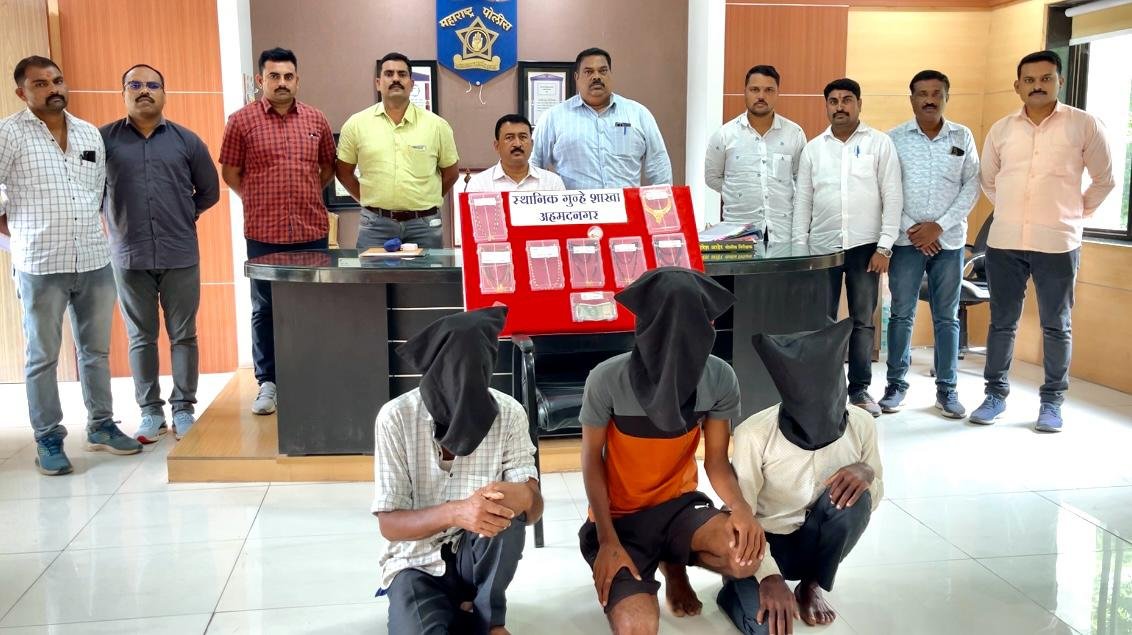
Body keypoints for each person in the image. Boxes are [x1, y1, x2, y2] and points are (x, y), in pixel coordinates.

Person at [578, 268, 762, 634]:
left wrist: (740, 507)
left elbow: (716, 460)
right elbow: (591, 460)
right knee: (638, 627)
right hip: (620, 519)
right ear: (644, 326)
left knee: (744, 558)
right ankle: (657, 562)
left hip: (679, 508)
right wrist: (608, 539)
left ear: (708, 326)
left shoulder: (720, 378)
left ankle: (673, 565)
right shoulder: (606, 378)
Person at [0, 56, 141, 475]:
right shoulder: (9, 133)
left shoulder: (87, 133)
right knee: (42, 356)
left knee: (95, 351)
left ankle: (101, 426)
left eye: (57, 81)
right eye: (40, 83)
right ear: (22, 92)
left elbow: (96, 192)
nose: (53, 89)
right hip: (40, 264)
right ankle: (48, 437)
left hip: (94, 260)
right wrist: (20, 232)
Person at [373, 306, 542, 635]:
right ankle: (456, 613)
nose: (461, 401)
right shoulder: (395, 418)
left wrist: (523, 495)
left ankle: (488, 619)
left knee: (508, 511)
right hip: (415, 564)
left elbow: (533, 511)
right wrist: (456, 512)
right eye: (452, 390)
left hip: (475, 563)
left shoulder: (509, 413)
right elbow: (389, 525)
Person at [973, 50, 1114, 432]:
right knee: (1002, 322)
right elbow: (990, 181)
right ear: (1017, 86)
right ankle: (994, 395)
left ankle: (1052, 403)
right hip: (1006, 241)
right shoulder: (1002, 129)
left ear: (1059, 82)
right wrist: (1013, 209)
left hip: (1058, 243)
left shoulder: (1084, 125)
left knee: (1056, 325)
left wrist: (1073, 212)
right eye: (1030, 80)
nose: (1038, 86)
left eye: (1046, 78)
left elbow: (1105, 180)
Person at [722, 319, 883, 635]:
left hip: (813, 541)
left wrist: (866, 473)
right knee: (767, 627)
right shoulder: (754, 434)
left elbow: (872, 498)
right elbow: (740, 516)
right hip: (763, 541)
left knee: (856, 497)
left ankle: (811, 584)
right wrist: (768, 576)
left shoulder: (861, 423)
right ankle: (736, 587)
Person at [101, 63, 220, 443]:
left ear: (164, 93)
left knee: (183, 335)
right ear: (123, 93)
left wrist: (183, 214)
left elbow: (209, 191)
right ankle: (150, 412)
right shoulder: (103, 140)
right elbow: (90, 191)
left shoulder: (187, 141)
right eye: (135, 85)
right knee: (141, 337)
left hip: (179, 252)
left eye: (152, 85)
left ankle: (183, 408)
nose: (144, 91)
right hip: (129, 255)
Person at [219, 47, 335, 416]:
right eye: (274, 76)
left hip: (310, 229)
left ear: (297, 79)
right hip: (263, 232)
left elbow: (327, 168)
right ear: (260, 80)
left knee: (312, 306)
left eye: (288, 76)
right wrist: (257, 197)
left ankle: (308, 374)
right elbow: (230, 172)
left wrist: (303, 193)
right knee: (265, 308)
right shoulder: (241, 122)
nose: (281, 83)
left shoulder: (316, 120)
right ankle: (268, 382)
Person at [792, 78, 903, 417]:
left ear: (859, 104)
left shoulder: (879, 143)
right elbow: (803, 202)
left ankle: (859, 389)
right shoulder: (813, 149)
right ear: (826, 106)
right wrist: (800, 250)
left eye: (847, 99)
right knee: (820, 321)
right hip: (821, 248)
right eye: (833, 101)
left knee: (862, 321)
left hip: (865, 247)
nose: (840, 106)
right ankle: (825, 387)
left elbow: (893, 195)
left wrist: (885, 246)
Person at [880, 70, 979, 419]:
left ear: (946, 97)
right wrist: (913, 229)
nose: (929, 100)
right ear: (912, 99)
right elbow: (887, 189)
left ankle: (947, 390)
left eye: (937, 93)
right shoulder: (894, 139)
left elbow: (972, 186)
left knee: (946, 317)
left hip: (948, 242)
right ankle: (895, 386)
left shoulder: (962, 136)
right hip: (906, 241)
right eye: (922, 94)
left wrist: (939, 227)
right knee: (901, 314)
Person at [337, 51, 460, 251]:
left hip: (424, 225)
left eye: (402, 74)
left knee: (429, 273)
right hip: (375, 225)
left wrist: (423, 199)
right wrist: (372, 202)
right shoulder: (356, 124)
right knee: (373, 272)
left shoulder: (437, 126)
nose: (396, 79)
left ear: (411, 84)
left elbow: (451, 173)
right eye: (389, 74)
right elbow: (343, 172)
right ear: (378, 83)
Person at [531, 47, 672, 190]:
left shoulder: (638, 114)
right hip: (577, 204)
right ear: (576, 77)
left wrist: (662, 201)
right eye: (588, 72)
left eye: (603, 71)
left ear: (611, 74)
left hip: (626, 204)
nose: (596, 77)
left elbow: (659, 166)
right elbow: (533, 165)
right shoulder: (553, 117)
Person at [704, 65, 806, 257]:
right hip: (738, 234)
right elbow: (712, 178)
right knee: (740, 278)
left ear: (777, 93)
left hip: (783, 234)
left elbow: (801, 180)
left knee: (782, 278)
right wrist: (738, 192)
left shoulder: (794, 133)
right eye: (755, 89)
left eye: (769, 90)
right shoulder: (725, 135)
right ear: (745, 91)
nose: (761, 96)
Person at [466, 114, 565, 192]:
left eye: (523, 137)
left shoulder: (552, 183)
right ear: (497, 146)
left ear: (532, 144)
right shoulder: (479, 184)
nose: (517, 144)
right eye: (509, 138)